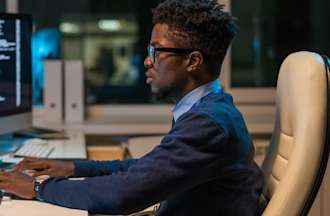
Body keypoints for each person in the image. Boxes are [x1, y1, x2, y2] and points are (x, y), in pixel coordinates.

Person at [0, 0, 264, 215]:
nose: (148, 62)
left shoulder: (209, 123)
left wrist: (37, 188)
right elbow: (147, 169)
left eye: (157, 51)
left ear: (193, 61)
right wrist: (73, 169)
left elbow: (123, 195)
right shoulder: (211, 109)